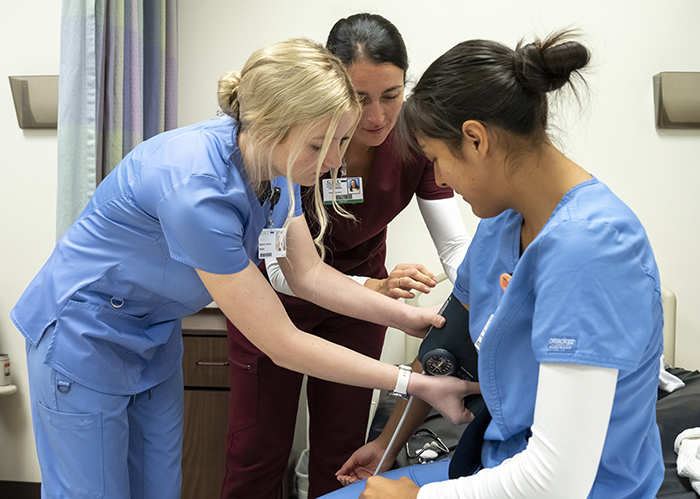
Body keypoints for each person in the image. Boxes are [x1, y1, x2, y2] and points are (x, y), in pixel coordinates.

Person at [10, 38, 476, 499]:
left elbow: (307, 275)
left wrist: (407, 317)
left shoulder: (280, 166)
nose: (335, 162)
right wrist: (413, 383)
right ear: (273, 128)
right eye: (321, 145)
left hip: (153, 336)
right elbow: (282, 342)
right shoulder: (196, 190)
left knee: (158, 488)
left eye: (342, 141)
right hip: (83, 336)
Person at [323, 30, 665, 499]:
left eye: (438, 160)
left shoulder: (591, 252)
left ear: (476, 139)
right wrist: (386, 445)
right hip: (497, 463)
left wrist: (416, 497)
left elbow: (558, 480)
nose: (438, 177)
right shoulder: (503, 220)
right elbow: (450, 344)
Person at [221, 14, 472, 499]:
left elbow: (454, 245)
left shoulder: (416, 140)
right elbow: (283, 268)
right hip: (273, 299)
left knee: (341, 454)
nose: (377, 117)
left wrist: (474, 295)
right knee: (257, 451)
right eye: (359, 98)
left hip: (357, 313)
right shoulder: (297, 136)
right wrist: (376, 290)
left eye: (391, 95)